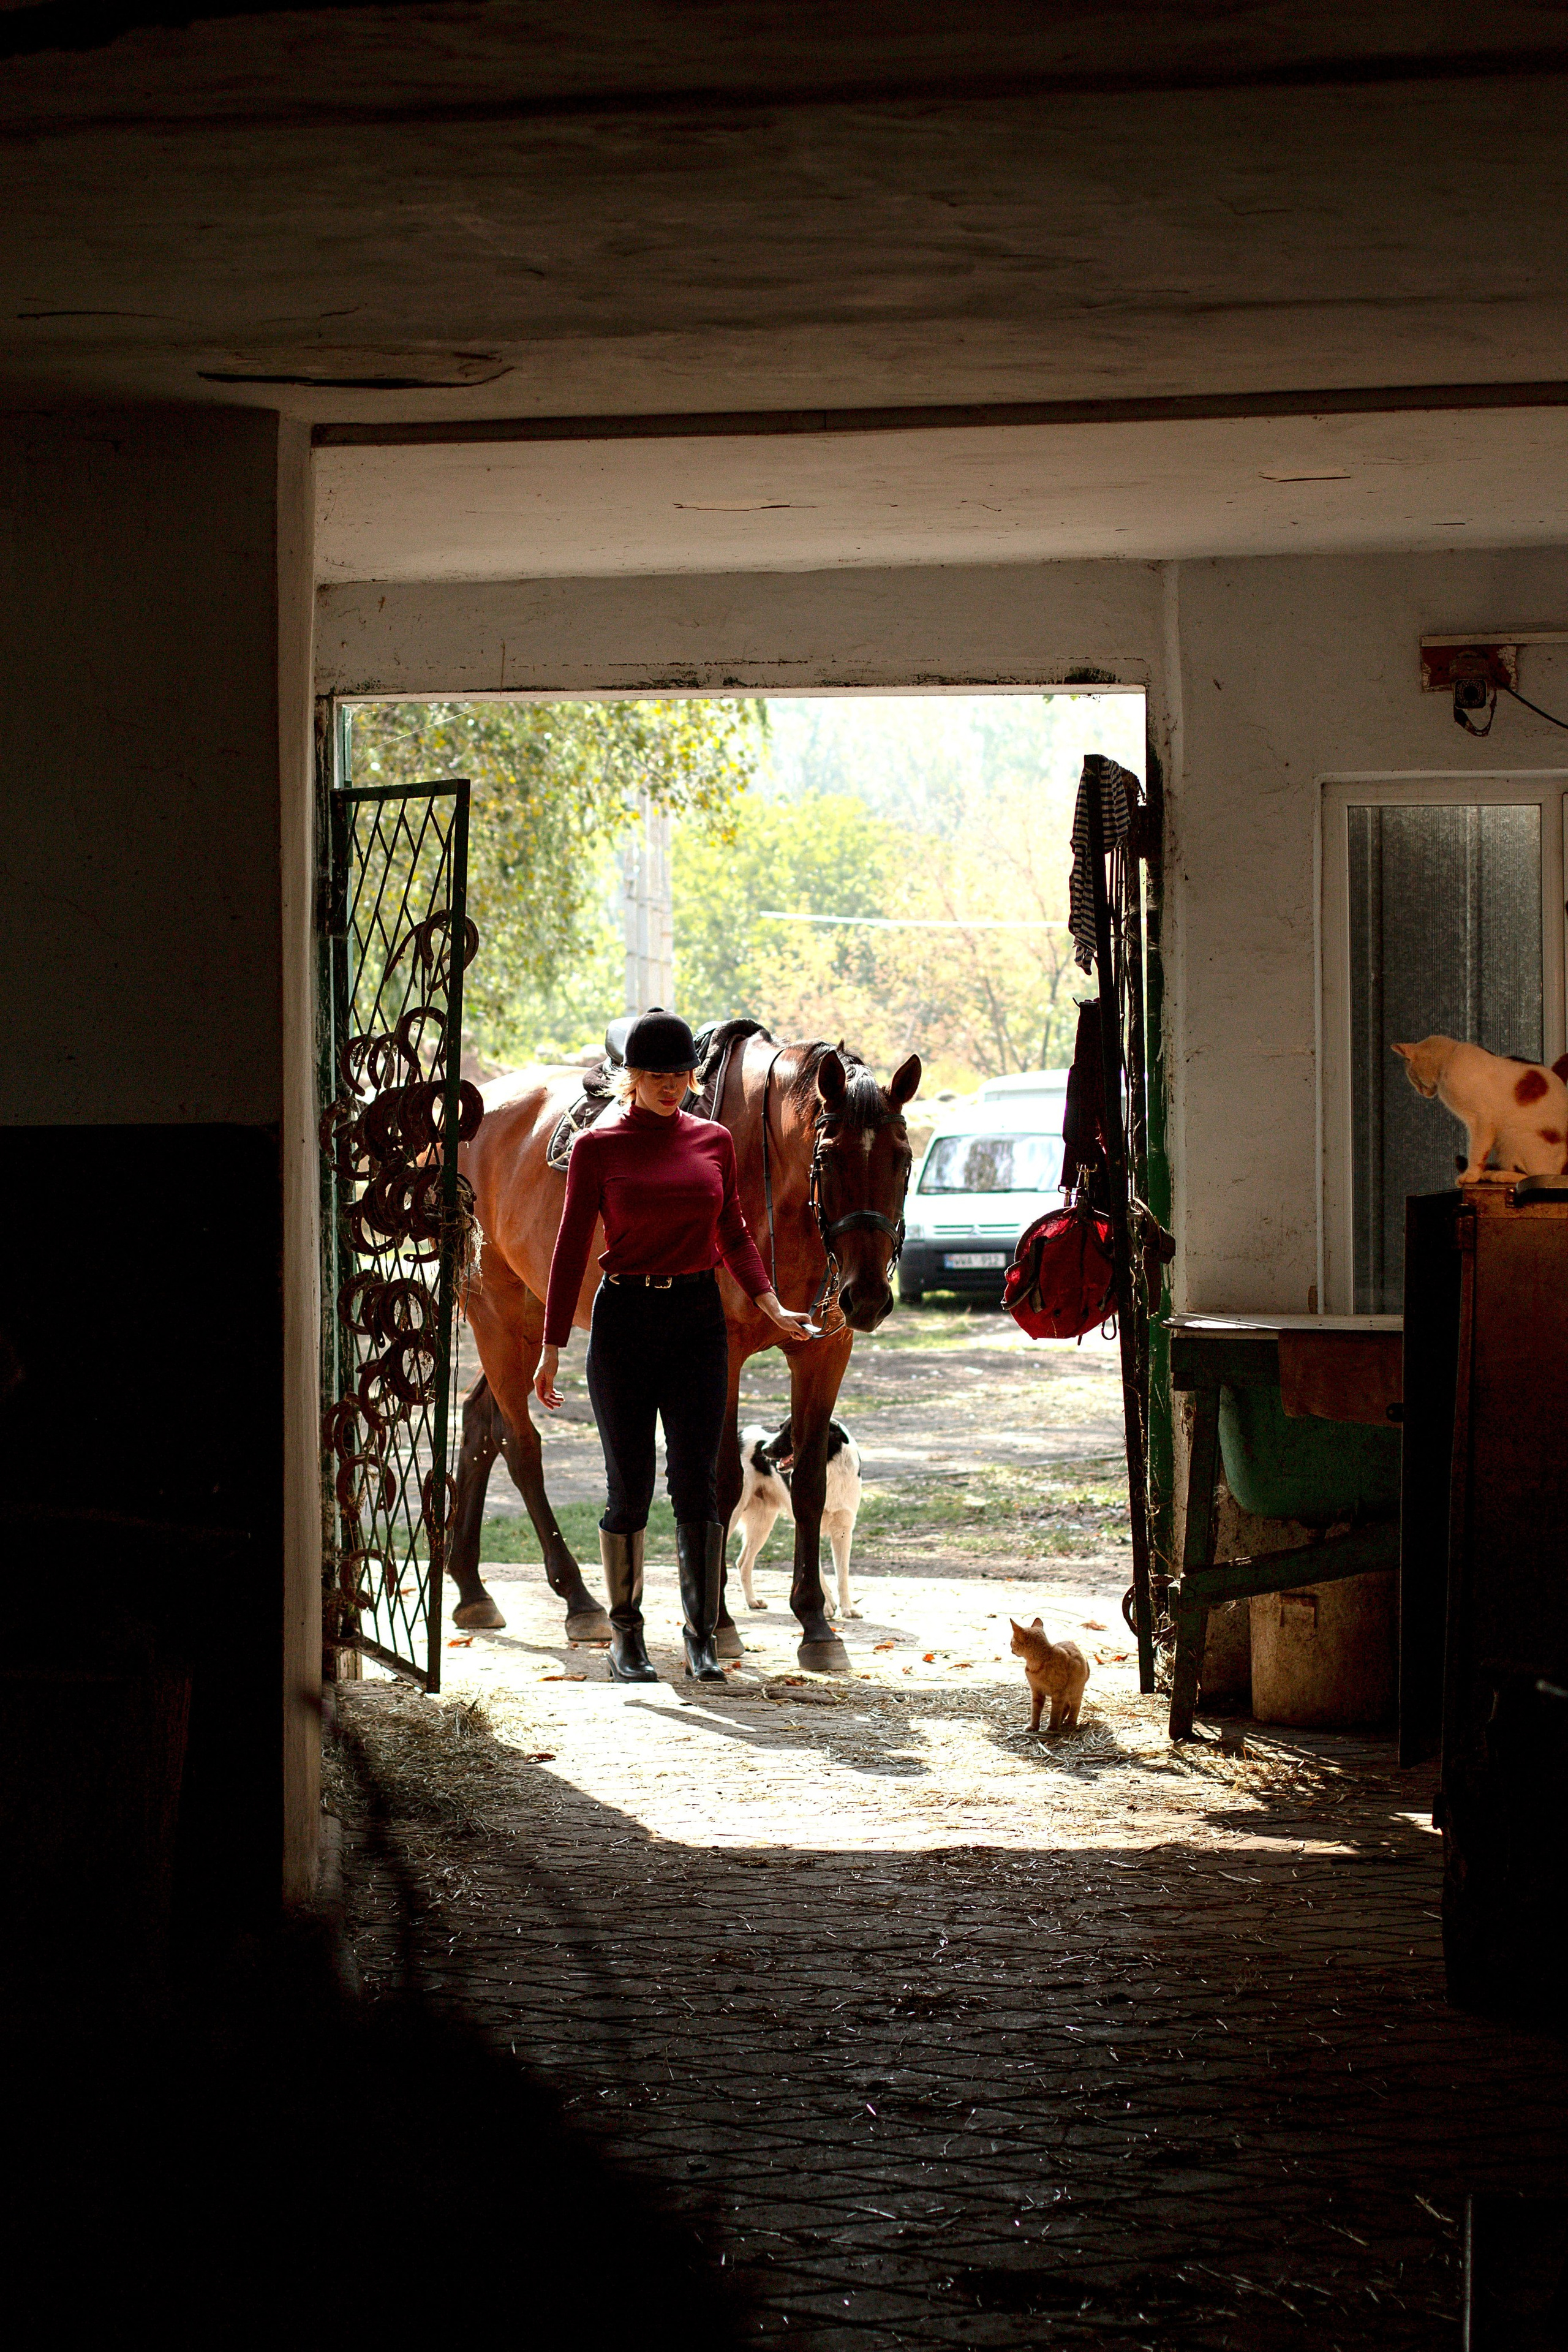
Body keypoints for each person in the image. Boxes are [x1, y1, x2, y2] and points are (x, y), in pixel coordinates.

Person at [535, 1010, 820, 1683]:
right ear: (631, 1078)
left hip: (697, 1320)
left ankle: (699, 1636)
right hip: (625, 1321)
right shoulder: (597, 1148)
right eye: (655, 1075)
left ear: (693, 1076)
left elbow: (735, 1232)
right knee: (628, 1490)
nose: (669, 1086)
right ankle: (626, 1638)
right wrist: (550, 1346)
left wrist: (768, 1301)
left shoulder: (714, 1141)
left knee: (696, 1485)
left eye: (679, 1074)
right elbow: (570, 1247)